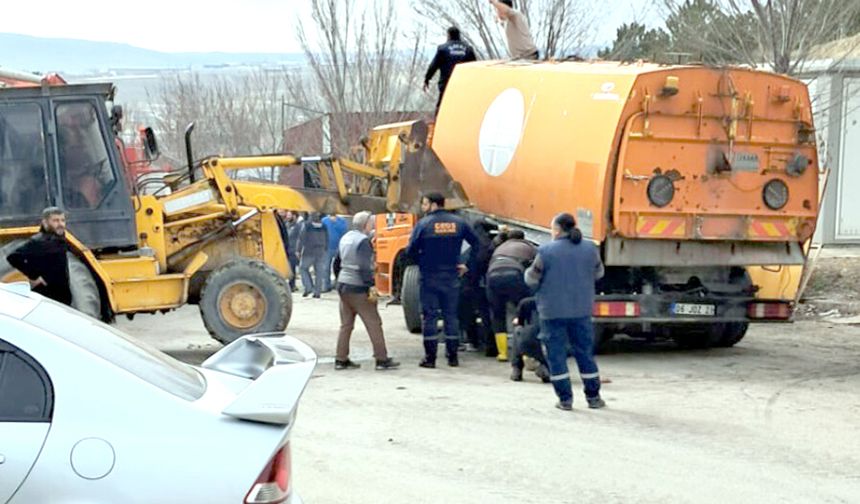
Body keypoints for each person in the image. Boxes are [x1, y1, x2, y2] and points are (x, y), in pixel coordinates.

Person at [525, 213, 606, 411]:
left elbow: (532, 279)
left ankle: (565, 399)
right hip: (581, 310)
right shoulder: (590, 249)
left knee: (556, 355)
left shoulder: (545, 251)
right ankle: (593, 397)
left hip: (552, 312)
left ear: (558, 230)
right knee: (585, 353)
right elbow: (599, 273)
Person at [406, 192, 479, 368]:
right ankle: (452, 357)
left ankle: (430, 358)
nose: (423, 208)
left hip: (429, 277)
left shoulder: (423, 224)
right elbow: (477, 244)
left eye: (424, 204)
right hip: (452, 276)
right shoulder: (459, 223)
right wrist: (466, 264)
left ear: (432, 205)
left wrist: (421, 262)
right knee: (451, 316)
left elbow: (410, 251)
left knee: (430, 316)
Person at [331, 211, 400, 371]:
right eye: (371, 222)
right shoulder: (363, 241)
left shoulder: (346, 238)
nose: (373, 225)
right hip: (358, 287)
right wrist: (370, 286)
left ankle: (341, 359)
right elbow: (363, 266)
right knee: (374, 323)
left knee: (346, 325)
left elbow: (337, 262)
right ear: (366, 224)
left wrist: (339, 278)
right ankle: (381, 359)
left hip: (343, 285)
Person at [486, 229, 536, 362]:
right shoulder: (528, 246)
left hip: (493, 275)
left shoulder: (500, 246)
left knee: (497, 314)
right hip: (514, 274)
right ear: (523, 238)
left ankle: (502, 353)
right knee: (523, 312)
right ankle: (526, 352)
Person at [7, 207, 72, 306]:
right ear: (45, 222)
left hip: (63, 296)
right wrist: (34, 276)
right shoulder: (37, 241)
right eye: (55, 220)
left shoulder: (60, 240)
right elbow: (13, 257)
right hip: (47, 296)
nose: (60, 224)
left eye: (63, 220)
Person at [424, 26, 477, 114]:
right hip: (463, 84)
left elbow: (434, 65)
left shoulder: (442, 49)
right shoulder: (468, 49)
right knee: (463, 108)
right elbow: (475, 67)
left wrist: (427, 78)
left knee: (442, 107)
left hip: (446, 84)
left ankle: (439, 123)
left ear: (448, 35)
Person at [510, 297, 550, 383]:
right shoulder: (561, 302)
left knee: (518, 331)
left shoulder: (526, 302)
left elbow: (518, 322)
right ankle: (546, 367)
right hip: (554, 341)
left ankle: (517, 368)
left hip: (530, 341)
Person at [298, 212, 329, 299]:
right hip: (321, 251)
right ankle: (317, 292)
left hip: (309, 251)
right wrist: (325, 248)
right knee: (319, 272)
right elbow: (327, 238)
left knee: (303, 268)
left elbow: (301, 238)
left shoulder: (307, 225)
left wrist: (298, 250)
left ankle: (308, 287)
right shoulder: (324, 226)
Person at [322, 214, 348, 293]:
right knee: (326, 267)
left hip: (339, 247)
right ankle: (326, 285)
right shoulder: (324, 220)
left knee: (338, 267)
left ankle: (338, 284)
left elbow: (344, 231)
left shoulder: (342, 221)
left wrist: (335, 223)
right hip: (327, 247)